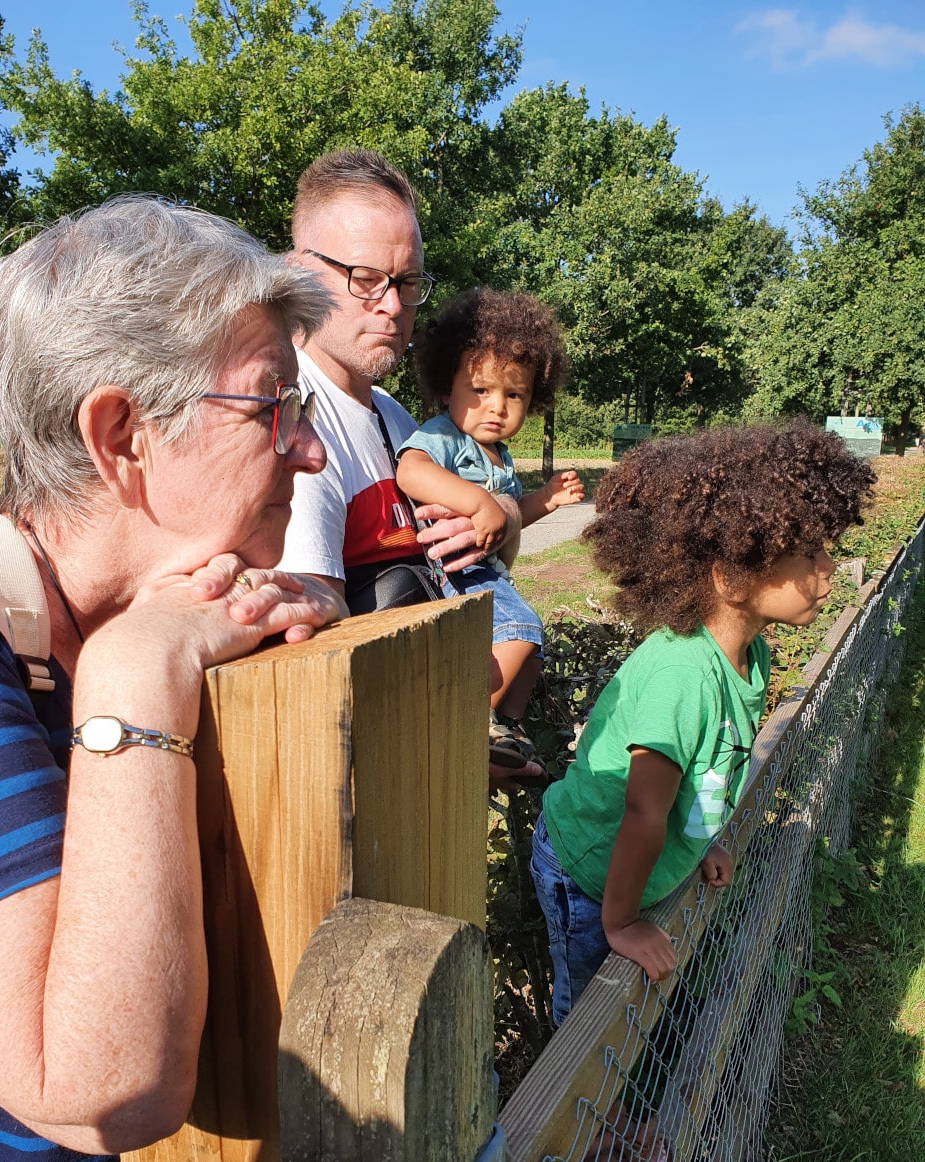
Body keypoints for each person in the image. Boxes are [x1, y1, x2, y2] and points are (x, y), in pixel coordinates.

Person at [0, 197, 345, 1162]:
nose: (309, 446)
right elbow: (95, 1084)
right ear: (121, 438)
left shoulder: (141, 618)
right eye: (273, 404)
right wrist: (129, 683)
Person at [533, 421, 876, 1022]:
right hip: (592, 875)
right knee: (591, 1013)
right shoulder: (684, 674)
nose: (828, 566)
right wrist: (622, 922)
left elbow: (710, 764)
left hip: (638, 858)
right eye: (808, 553)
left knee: (636, 1014)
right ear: (730, 577)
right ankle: (600, 1122)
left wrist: (701, 842)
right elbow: (643, 810)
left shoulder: (751, 651)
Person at [280, 148, 541, 783]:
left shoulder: (397, 418)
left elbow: (494, 560)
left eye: (408, 282)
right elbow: (311, 654)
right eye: (365, 278)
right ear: (298, 273)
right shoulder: (294, 426)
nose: (393, 306)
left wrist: (501, 513)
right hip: (367, 782)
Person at [395, 286, 584, 774]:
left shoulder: (499, 457)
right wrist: (477, 500)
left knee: (533, 650)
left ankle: (507, 729)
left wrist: (544, 501)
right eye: (480, 390)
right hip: (453, 569)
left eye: (513, 394)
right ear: (446, 389)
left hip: (488, 569)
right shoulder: (444, 435)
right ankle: (469, 721)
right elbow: (411, 472)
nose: (496, 406)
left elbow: (509, 517)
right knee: (520, 629)